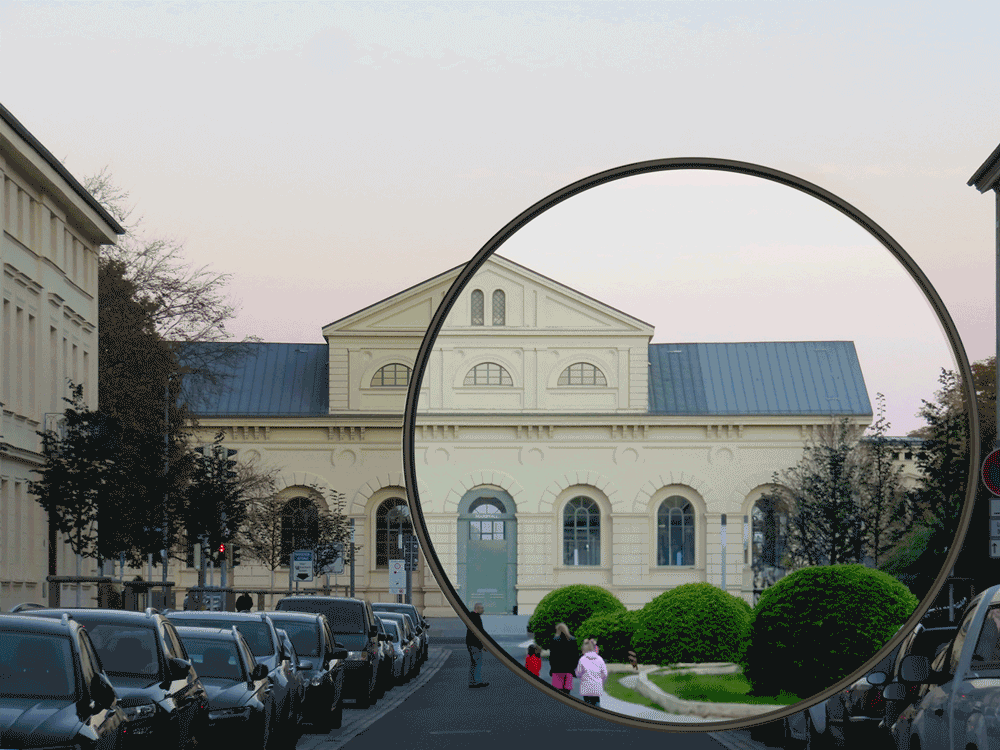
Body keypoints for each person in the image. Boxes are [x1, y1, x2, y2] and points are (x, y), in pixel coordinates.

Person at [574, 638, 608, 706]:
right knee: (596, 703)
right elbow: (604, 674)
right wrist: (600, 681)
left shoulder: (582, 659)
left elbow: (578, 673)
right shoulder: (599, 659)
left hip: (586, 688)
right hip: (596, 688)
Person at [548, 622, 577, 696]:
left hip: (557, 670)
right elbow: (575, 656)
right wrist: (573, 668)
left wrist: (552, 668)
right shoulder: (572, 640)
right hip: (569, 670)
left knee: (558, 693)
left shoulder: (554, 640)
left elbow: (552, 657)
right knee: (567, 692)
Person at [466, 602, 489, 688]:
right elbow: (478, 632)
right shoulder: (476, 617)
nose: (483, 610)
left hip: (470, 642)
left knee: (474, 662)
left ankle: (472, 682)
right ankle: (477, 681)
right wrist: (482, 645)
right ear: (477, 609)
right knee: (477, 663)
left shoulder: (471, 616)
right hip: (474, 643)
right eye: (482, 608)